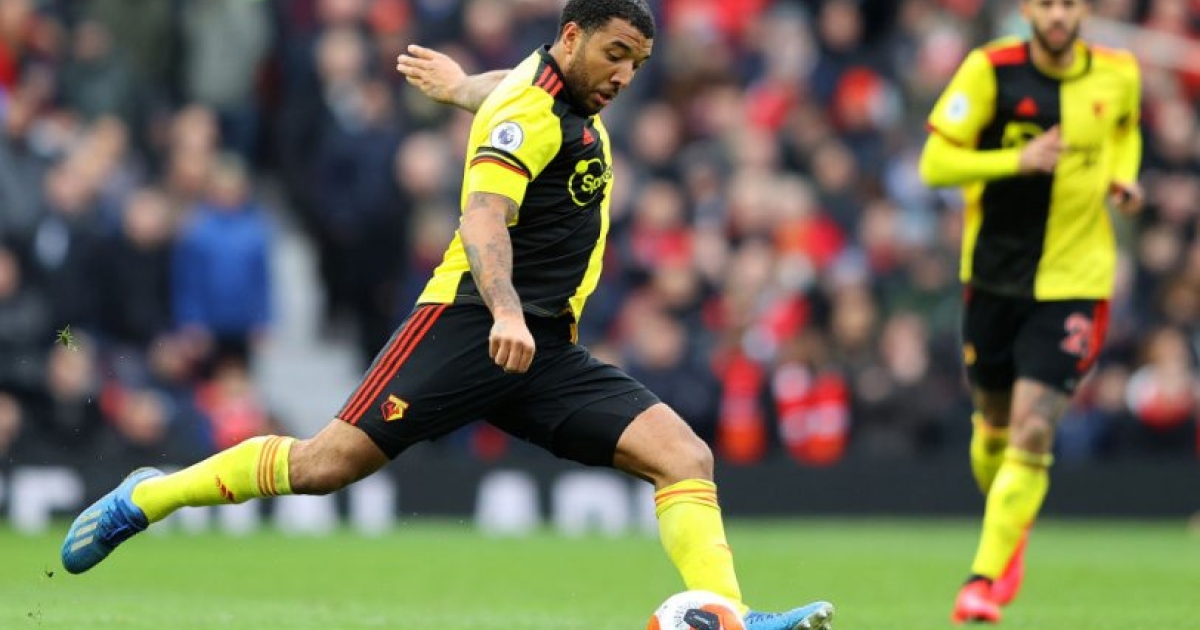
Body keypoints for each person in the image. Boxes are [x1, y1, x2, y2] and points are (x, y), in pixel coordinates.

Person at [61, 3, 834, 629]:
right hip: (469, 324)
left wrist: (464, 86)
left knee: (684, 457)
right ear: (573, 37)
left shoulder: (546, 88)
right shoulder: (532, 111)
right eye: (616, 54)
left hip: (542, 346)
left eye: (637, 62)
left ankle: (728, 615)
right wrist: (506, 311)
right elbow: (484, 218)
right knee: (325, 466)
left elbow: (509, 85)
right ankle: (150, 495)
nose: (625, 76)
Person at [919, 0, 1143, 624]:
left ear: (1084, 10)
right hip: (993, 277)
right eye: (1046, 4)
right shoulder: (990, 70)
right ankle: (1010, 526)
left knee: (1034, 428)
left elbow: (1125, 131)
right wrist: (1015, 160)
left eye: (1068, 4)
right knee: (993, 424)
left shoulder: (1119, 72)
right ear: (1028, 10)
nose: (1057, 15)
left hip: (1076, 280)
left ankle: (982, 581)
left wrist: (1124, 177)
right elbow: (934, 164)